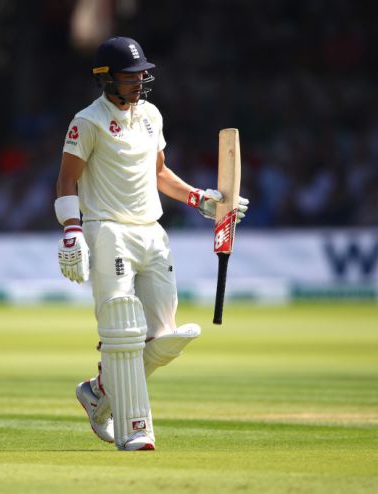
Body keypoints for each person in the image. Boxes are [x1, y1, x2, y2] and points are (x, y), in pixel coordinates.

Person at [54, 36, 249, 451]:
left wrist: (199, 198)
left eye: (142, 73)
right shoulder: (87, 121)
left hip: (152, 231)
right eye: (130, 76)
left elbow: (158, 172)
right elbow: (66, 179)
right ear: (106, 79)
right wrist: (72, 229)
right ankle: (135, 429)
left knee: (163, 338)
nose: (139, 81)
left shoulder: (151, 116)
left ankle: (99, 393)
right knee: (122, 326)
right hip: (108, 230)